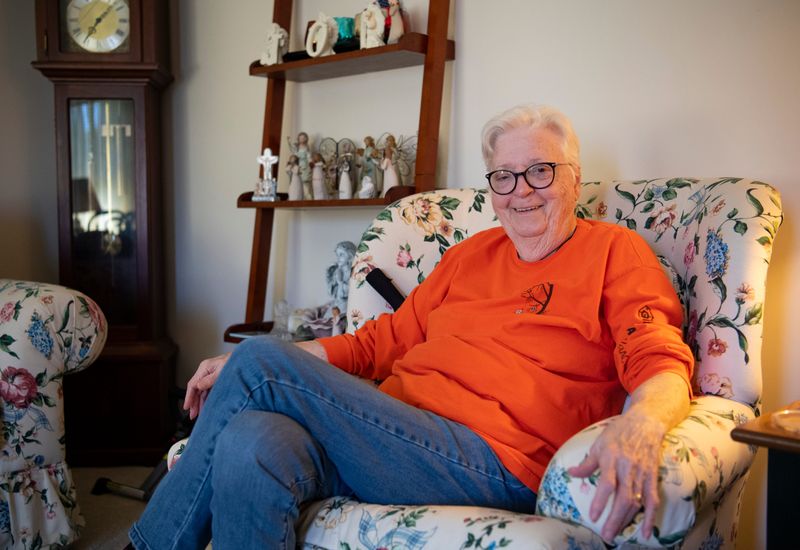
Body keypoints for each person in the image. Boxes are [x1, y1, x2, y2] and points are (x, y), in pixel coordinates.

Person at [129, 104, 693, 549]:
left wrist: (642, 423)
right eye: (503, 177)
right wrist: (256, 376)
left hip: (494, 460)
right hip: (397, 439)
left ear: (574, 178)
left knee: (256, 358)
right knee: (252, 442)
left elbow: (659, 358)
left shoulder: (614, 252)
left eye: (540, 171)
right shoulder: (470, 256)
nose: (521, 190)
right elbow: (378, 344)